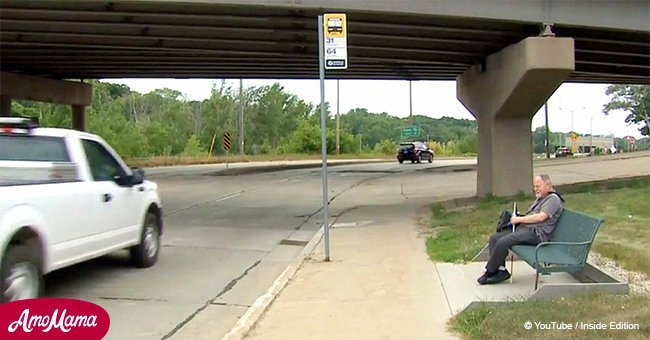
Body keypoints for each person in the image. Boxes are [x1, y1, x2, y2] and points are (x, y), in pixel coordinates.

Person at [477, 174, 564, 285]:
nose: (535, 189)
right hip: (527, 230)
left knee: (503, 242)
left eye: (538, 186)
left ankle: (489, 271)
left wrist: (519, 219)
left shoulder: (553, 199)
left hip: (537, 235)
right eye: (534, 186)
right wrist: (517, 217)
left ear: (548, 185)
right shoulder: (542, 198)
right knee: (495, 238)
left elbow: (541, 217)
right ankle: (501, 270)